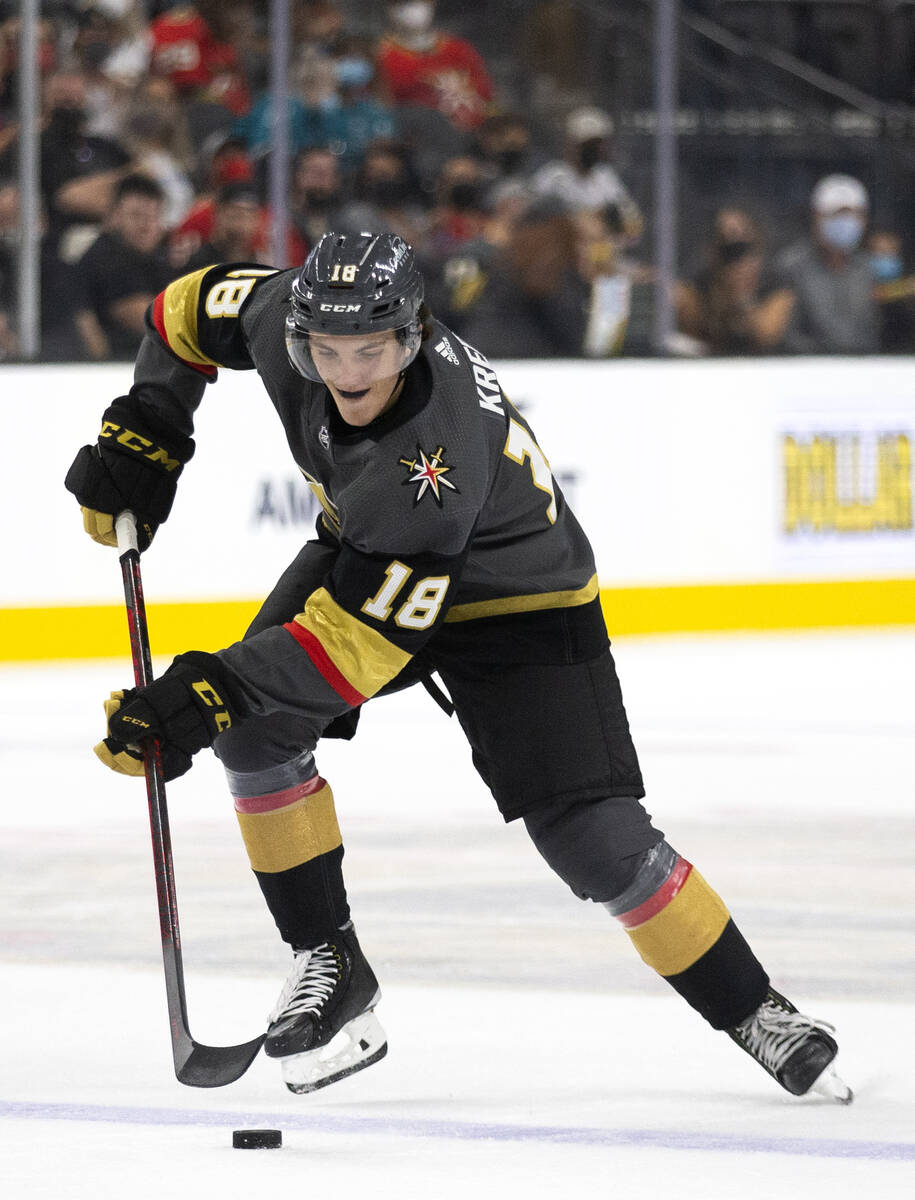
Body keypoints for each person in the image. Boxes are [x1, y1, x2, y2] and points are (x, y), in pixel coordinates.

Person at [64, 231, 852, 1104]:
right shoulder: (289, 312)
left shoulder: (429, 463)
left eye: (372, 350)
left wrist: (203, 695)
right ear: (298, 337)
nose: (349, 374)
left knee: (592, 840)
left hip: (519, 598)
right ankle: (330, 962)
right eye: (326, 352)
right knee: (255, 730)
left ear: (411, 336)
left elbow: (356, 647)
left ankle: (755, 1010)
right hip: (370, 559)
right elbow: (185, 308)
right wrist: (152, 418)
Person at [773, 174, 880, 354]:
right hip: (807, 367)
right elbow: (785, 332)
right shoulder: (792, 266)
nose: (846, 223)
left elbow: (875, 327)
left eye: (854, 215)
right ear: (817, 217)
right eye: (837, 215)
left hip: (866, 366)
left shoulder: (868, 269)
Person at [75, 172, 174, 359]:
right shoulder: (106, 257)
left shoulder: (155, 258)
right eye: (137, 216)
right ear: (114, 216)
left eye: (153, 217)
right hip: (111, 367)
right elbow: (150, 321)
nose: (146, 226)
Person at [675, 207, 793, 355]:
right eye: (728, 250)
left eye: (743, 248)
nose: (737, 260)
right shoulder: (697, 287)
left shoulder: (775, 285)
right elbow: (693, 338)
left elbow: (766, 335)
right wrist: (719, 296)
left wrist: (742, 297)